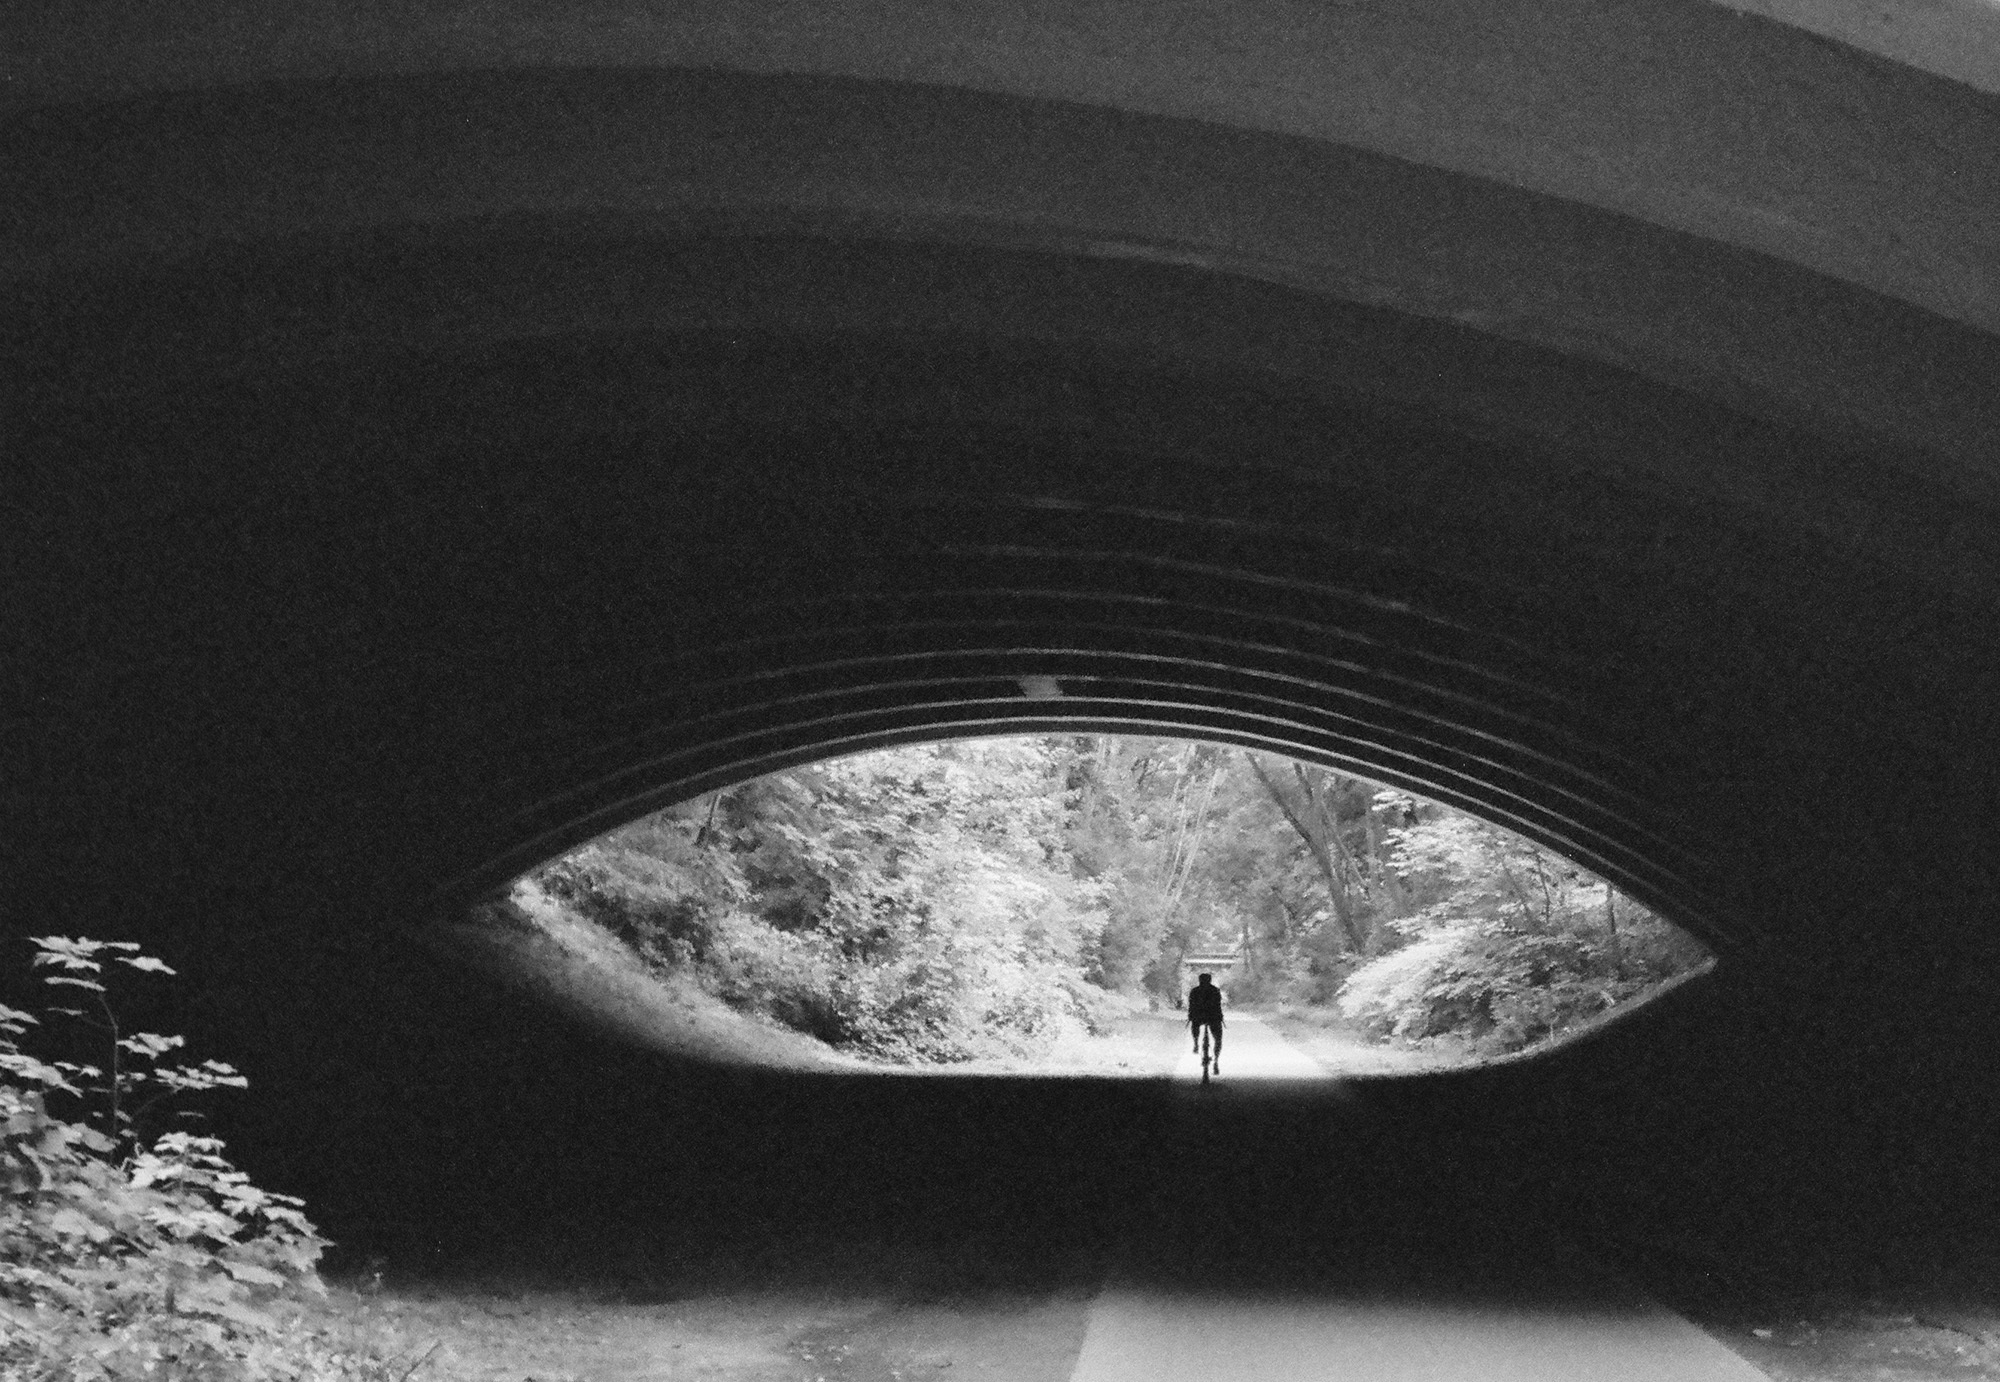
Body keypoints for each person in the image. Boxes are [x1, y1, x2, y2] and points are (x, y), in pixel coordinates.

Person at [1187, 971, 1224, 1073]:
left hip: (1199, 1017)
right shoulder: (1215, 990)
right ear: (1210, 980)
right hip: (1213, 1017)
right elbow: (1218, 1006)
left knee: (1195, 1025)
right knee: (1218, 1039)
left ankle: (1195, 1043)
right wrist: (1220, 1017)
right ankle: (1216, 1061)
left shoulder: (1195, 991)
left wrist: (1191, 1016)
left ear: (1199, 981)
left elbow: (1191, 1006)